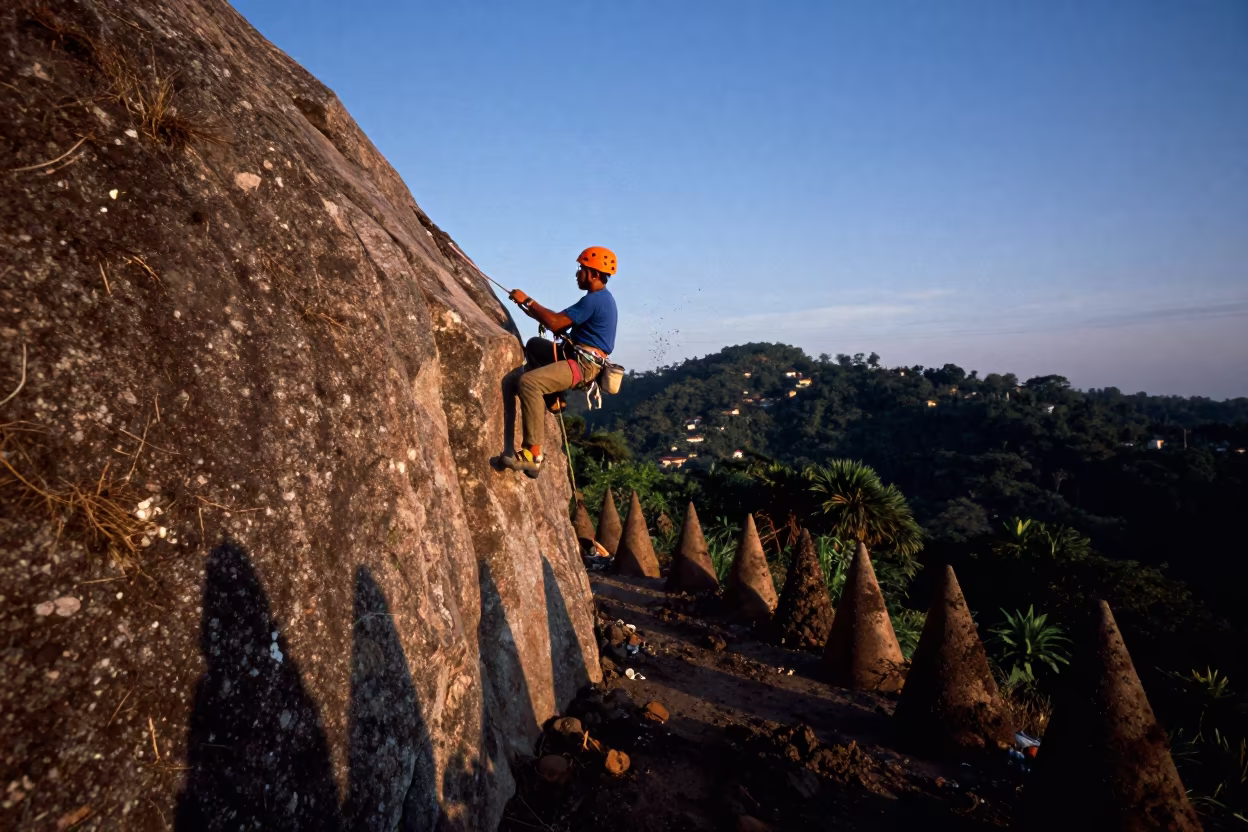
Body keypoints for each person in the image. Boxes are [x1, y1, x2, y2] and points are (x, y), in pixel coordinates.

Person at [498, 246, 618, 478]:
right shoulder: (600, 299)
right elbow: (558, 321)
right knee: (534, 345)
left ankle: (533, 454)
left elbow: (554, 323)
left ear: (593, 274)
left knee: (529, 383)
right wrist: (526, 305)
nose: (577, 273)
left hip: (583, 366)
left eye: (581, 269)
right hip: (573, 355)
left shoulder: (594, 301)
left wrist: (529, 301)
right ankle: (554, 398)